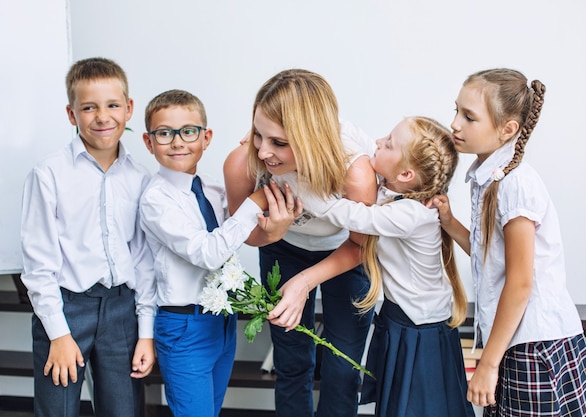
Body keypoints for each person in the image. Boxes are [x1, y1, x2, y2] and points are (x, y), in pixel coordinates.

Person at [272, 116, 475, 416]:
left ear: (406, 173)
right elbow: (353, 132)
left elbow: (346, 214)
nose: (378, 142)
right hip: (403, 319)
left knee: (419, 407)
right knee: (398, 404)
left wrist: (288, 177)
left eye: (389, 143)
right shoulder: (397, 193)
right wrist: (291, 127)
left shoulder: (409, 214)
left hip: (420, 328)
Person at [223, 69, 377, 417]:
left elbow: (361, 245)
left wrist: (304, 282)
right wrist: (272, 234)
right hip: (281, 250)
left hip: (345, 253)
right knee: (291, 359)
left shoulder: (355, 172)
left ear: (313, 139)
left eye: (279, 142)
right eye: (258, 135)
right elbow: (243, 232)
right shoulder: (242, 163)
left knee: (343, 364)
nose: (263, 152)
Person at [432, 68, 586, 416]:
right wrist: (450, 223)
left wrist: (487, 363)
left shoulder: (515, 184)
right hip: (513, 340)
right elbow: (493, 259)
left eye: (469, 117)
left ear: (508, 130)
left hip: (531, 345)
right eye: (456, 110)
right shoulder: (489, 177)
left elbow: (520, 282)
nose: (455, 124)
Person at [138, 89, 298, 417]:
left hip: (221, 320)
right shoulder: (156, 200)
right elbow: (208, 253)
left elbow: (239, 236)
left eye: (189, 131)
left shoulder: (211, 188)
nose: (178, 142)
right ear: (149, 142)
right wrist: (254, 202)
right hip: (184, 326)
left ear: (206, 137)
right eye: (165, 133)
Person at [20, 57, 156, 417]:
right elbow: (38, 263)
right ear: (71, 114)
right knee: (57, 409)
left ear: (128, 109)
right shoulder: (48, 175)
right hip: (67, 309)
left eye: (112, 105)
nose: (102, 117)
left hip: (121, 311)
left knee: (123, 410)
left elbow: (143, 260)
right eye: (89, 107)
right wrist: (58, 334)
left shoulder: (140, 178)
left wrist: (145, 332)